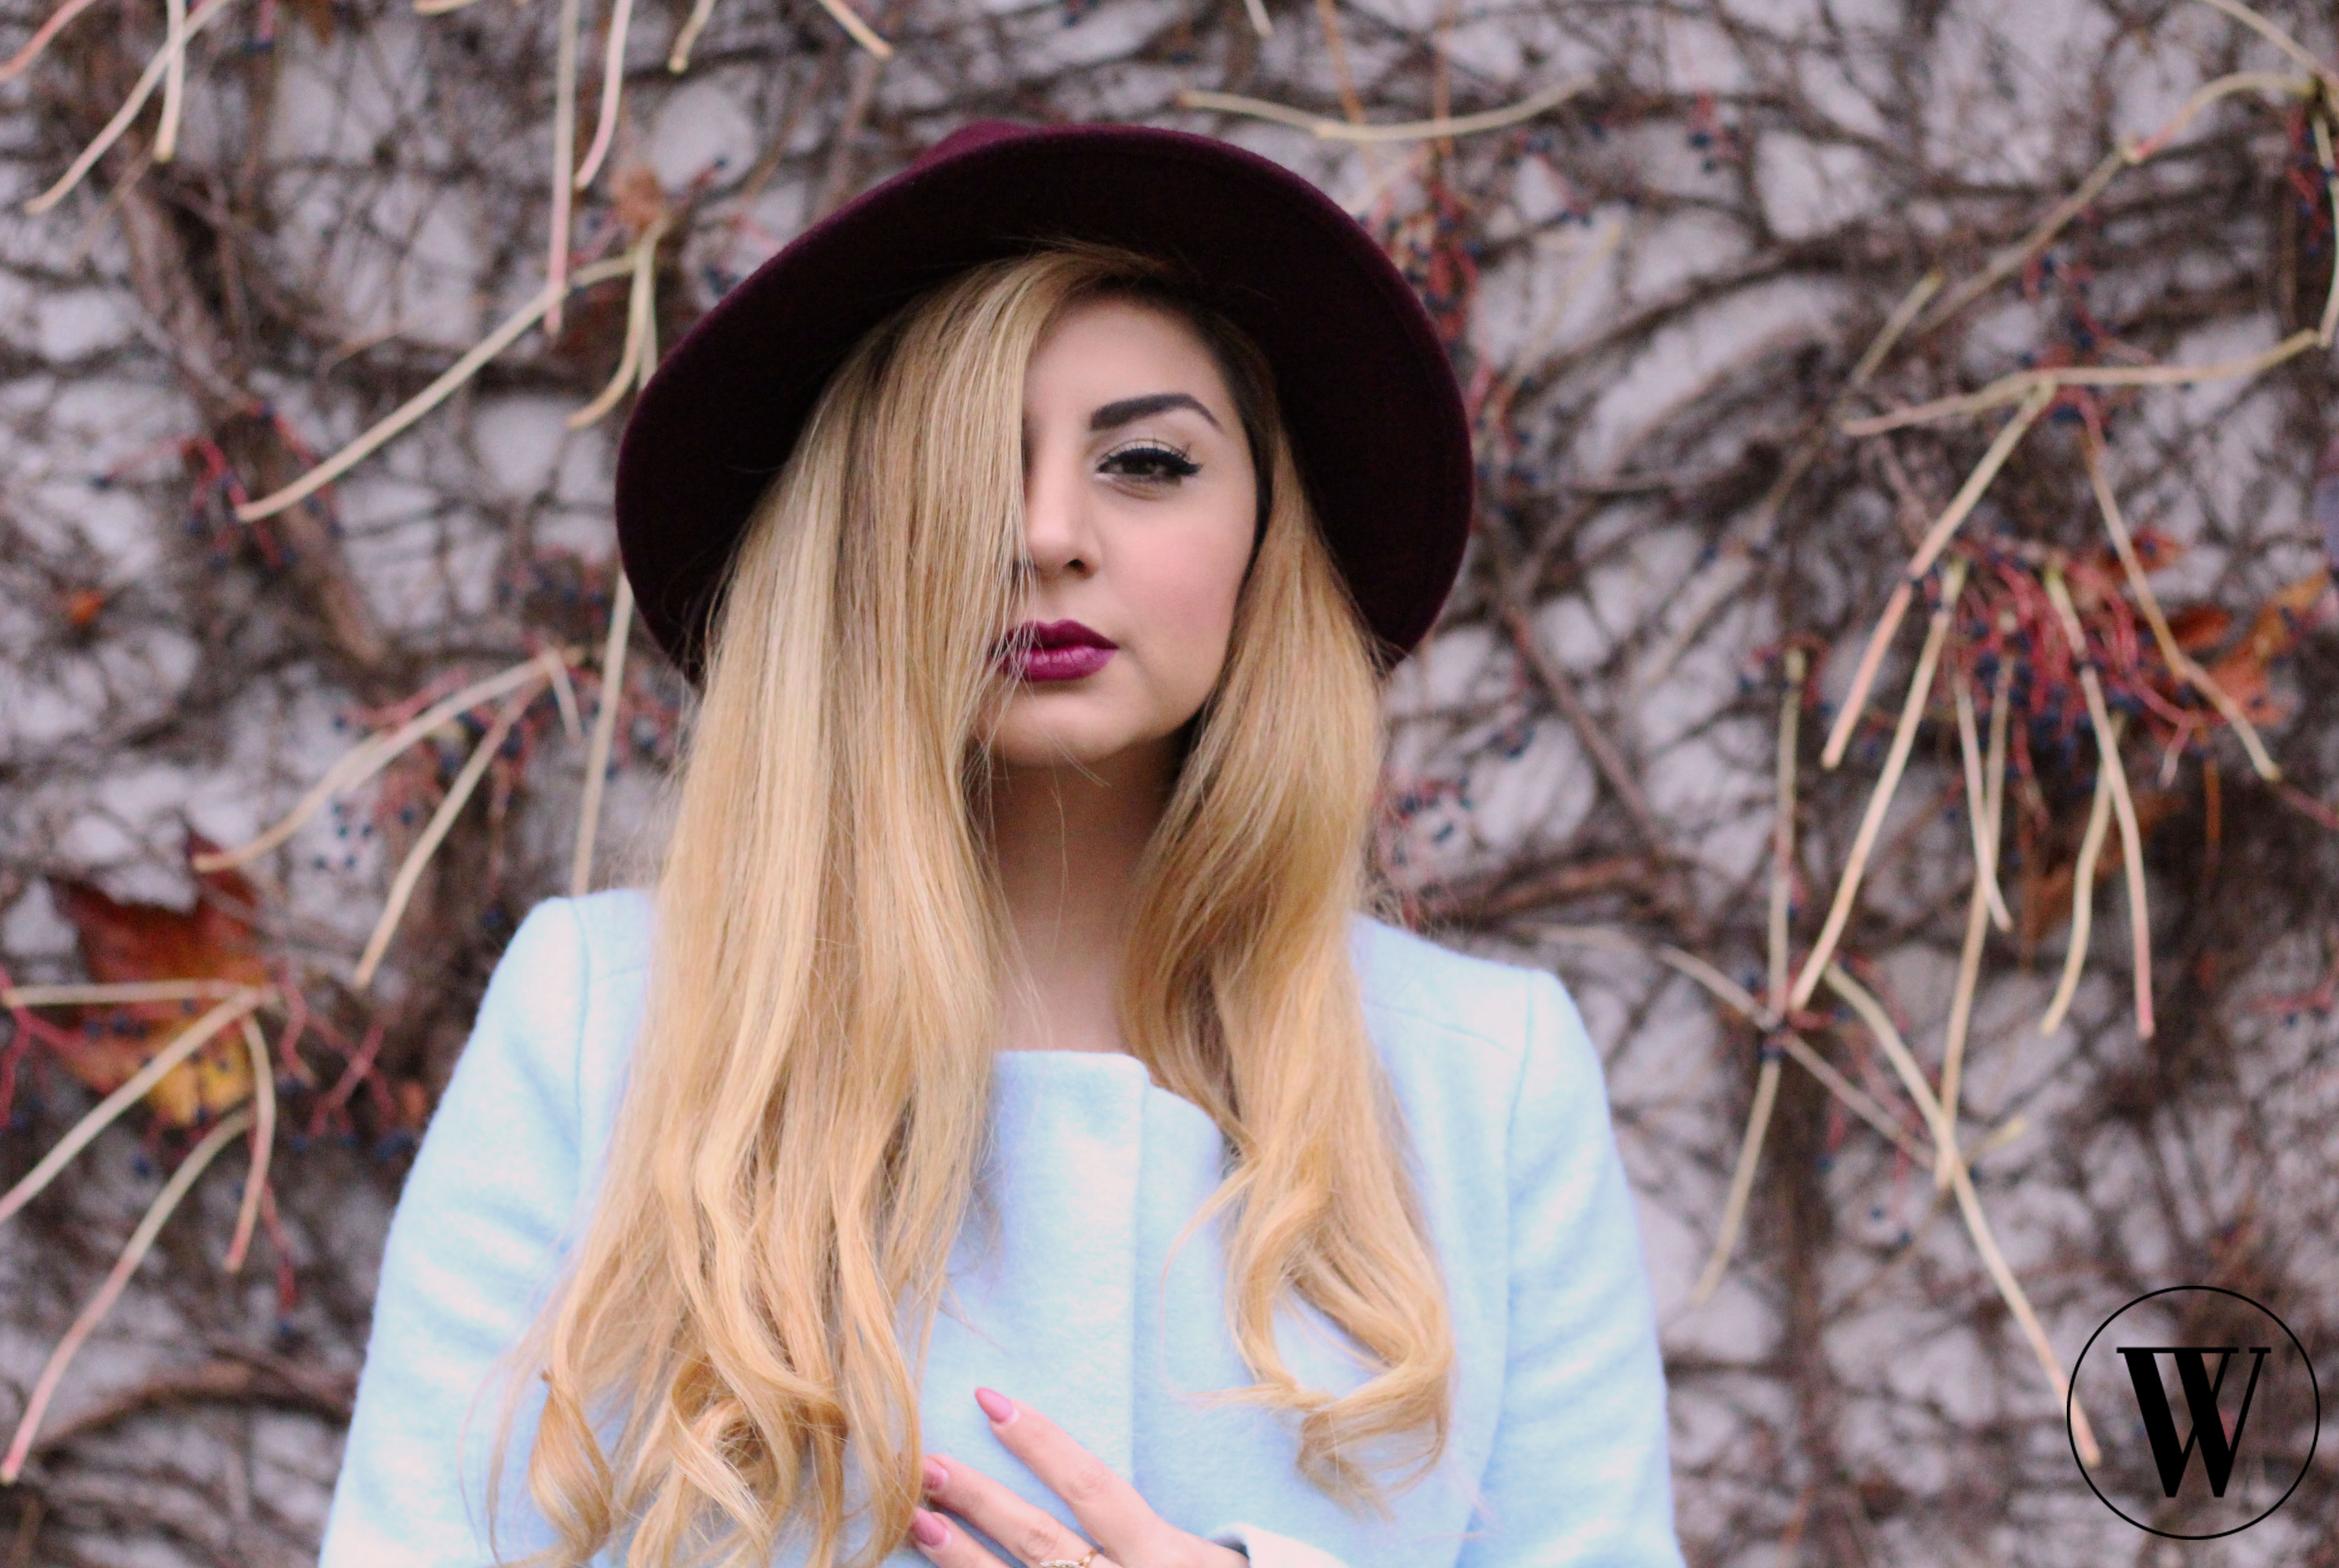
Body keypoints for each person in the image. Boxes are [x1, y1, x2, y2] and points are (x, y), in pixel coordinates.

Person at [318, 121, 1680, 1568]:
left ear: (1267, 536)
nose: (1045, 534)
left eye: (1147, 461)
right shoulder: (603, 1023)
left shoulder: (1484, 1083)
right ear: (853, 542)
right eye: (962, 468)